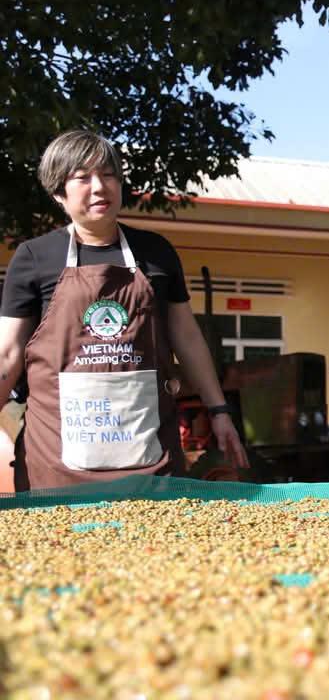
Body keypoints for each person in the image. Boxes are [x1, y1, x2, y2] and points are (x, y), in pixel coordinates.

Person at [0, 130, 247, 490]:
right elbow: (8, 353)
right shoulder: (35, 258)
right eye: (82, 178)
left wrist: (219, 411)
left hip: (149, 463)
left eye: (109, 175)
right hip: (55, 466)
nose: (100, 187)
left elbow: (187, 339)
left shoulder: (156, 252)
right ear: (58, 193)